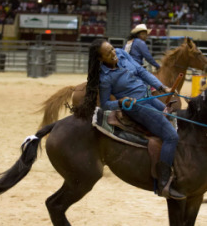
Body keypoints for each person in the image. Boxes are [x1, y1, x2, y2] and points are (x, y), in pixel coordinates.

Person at [73, 39, 185, 200]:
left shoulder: (122, 53)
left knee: (174, 119)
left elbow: (141, 71)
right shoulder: (105, 78)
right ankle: (163, 182)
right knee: (171, 136)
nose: (114, 54)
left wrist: (162, 87)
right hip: (136, 108)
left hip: (148, 97)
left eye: (112, 49)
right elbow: (105, 104)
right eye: (108, 53)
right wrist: (120, 102)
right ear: (100, 59)